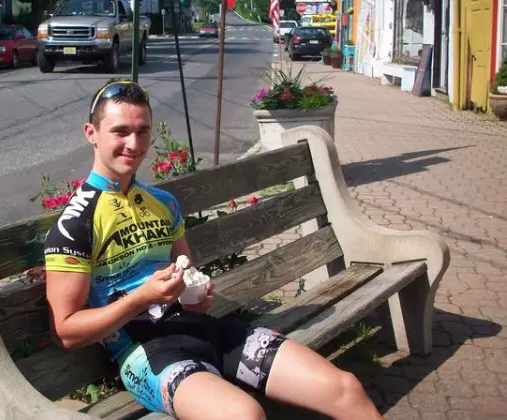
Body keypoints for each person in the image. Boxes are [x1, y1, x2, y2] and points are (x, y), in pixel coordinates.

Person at [43, 79, 383, 420]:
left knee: (346, 388)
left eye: (143, 131)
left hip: (209, 330)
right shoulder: (76, 223)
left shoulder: (163, 203)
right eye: (120, 131)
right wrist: (142, 298)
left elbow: (184, 267)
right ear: (91, 133)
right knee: (243, 416)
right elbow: (66, 332)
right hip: (148, 353)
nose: (134, 144)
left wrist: (197, 292)